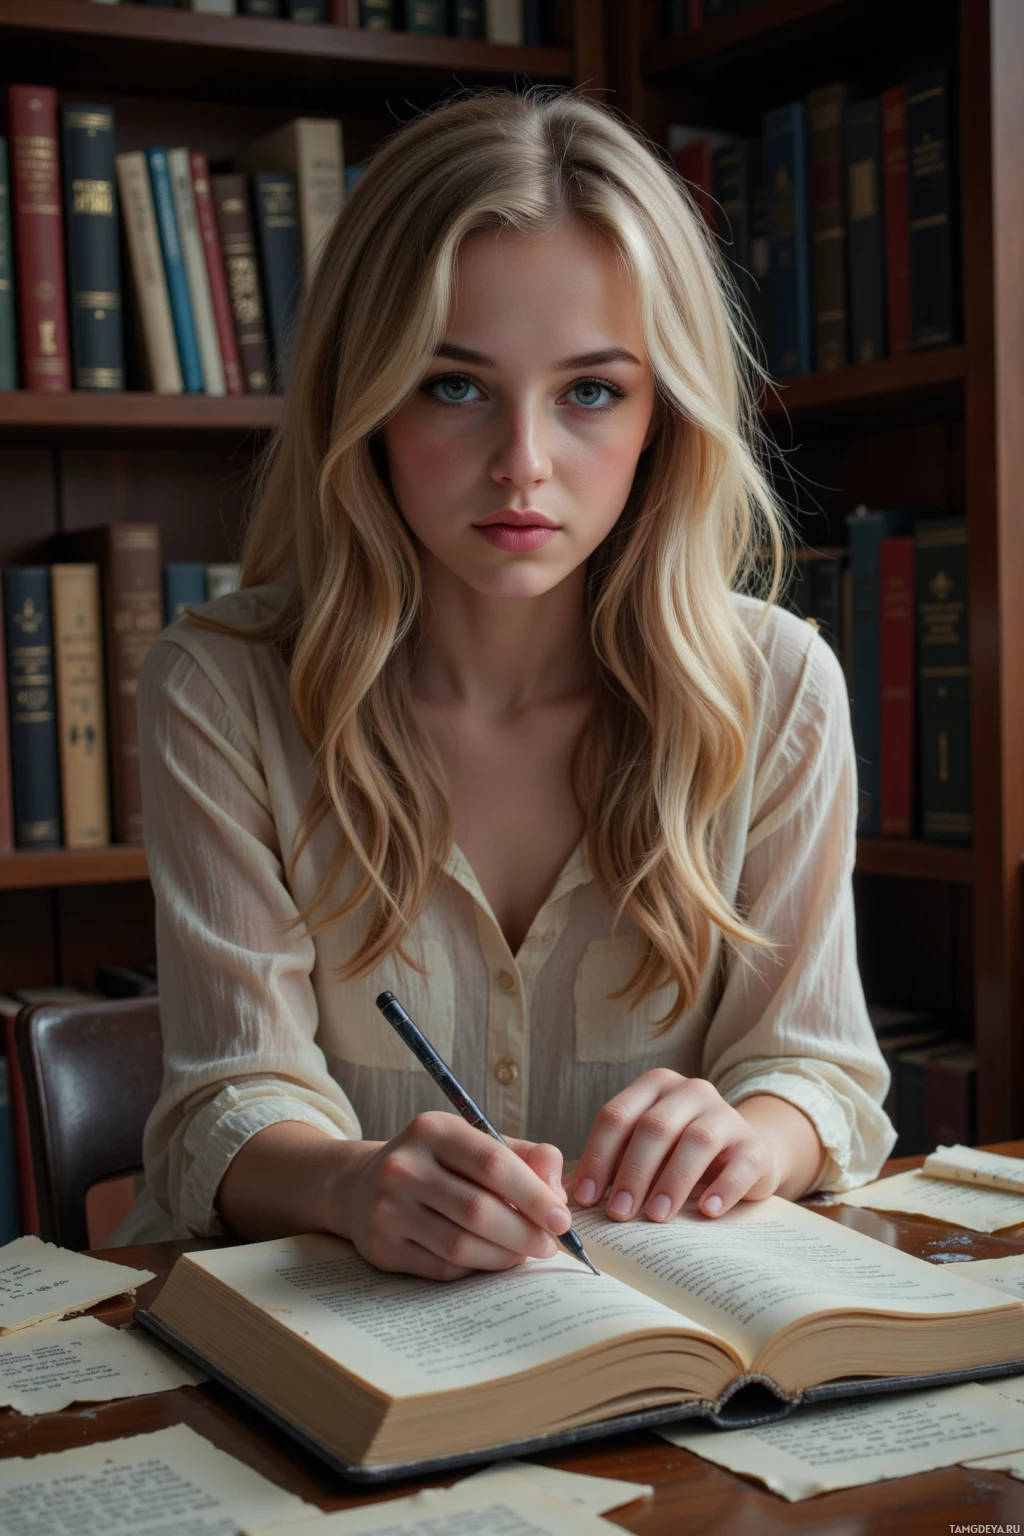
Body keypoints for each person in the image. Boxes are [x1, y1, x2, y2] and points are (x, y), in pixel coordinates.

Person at [115, 86, 896, 1276]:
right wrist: (349, 1182)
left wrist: (746, 1138)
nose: (522, 467)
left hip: (662, 1370)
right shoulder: (220, 690)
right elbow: (227, 1098)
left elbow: (816, 1071)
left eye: (590, 391)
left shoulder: (777, 686)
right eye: (454, 385)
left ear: (662, 418)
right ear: (363, 402)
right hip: (321, 1370)